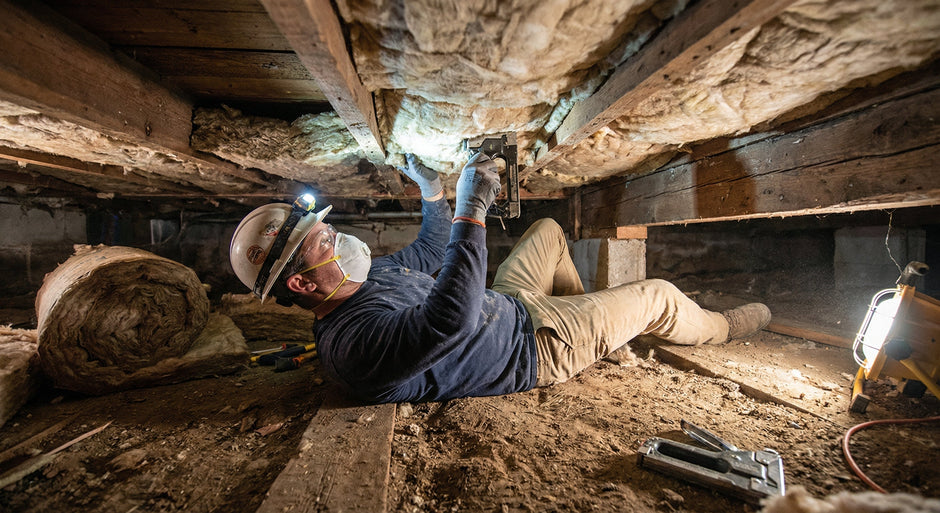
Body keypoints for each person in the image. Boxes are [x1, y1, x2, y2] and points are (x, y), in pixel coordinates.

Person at [229, 153, 771, 403]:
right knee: (660, 295)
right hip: (532, 346)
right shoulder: (352, 347)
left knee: (550, 230)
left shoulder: (366, 278)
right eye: (322, 243)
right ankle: (721, 326)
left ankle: (599, 332)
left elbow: (431, 249)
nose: (335, 239)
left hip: (509, 304)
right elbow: (450, 320)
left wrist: (435, 194)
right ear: (300, 284)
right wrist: (472, 212)